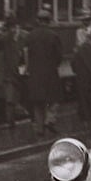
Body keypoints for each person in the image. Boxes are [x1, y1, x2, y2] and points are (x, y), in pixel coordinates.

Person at [25, 9, 62, 137]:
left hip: (35, 74)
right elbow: (59, 56)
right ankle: (50, 120)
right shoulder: (54, 36)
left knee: (37, 103)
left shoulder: (30, 36)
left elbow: (26, 54)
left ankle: (39, 129)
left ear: (38, 21)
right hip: (50, 73)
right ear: (49, 21)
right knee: (54, 100)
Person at [0, 14, 27, 128]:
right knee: (10, 99)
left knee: (28, 98)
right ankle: (10, 122)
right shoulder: (5, 38)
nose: (12, 30)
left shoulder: (26, 37)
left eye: (13, 27)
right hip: (10, 73)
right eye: (10, 27)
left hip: (25, 72)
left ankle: (34, 120)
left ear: (18, 26)